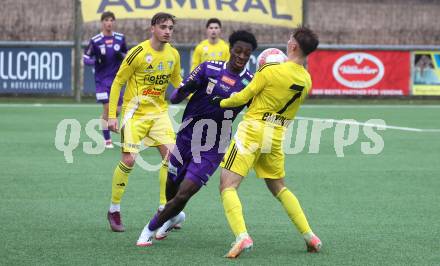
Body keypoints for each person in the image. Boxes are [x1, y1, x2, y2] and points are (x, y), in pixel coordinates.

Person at [136, 30, 258, 247]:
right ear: (229, 49)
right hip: (186, 137)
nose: (241, 56)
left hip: (213, 146)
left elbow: (257, 111)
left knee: (184, 193)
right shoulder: (209, 68)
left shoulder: (250, 83)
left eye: (246, 54)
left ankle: (149, 229)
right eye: (238, 51)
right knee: (171, 186)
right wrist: (180, 92)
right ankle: (173, 217)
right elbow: (178, 93)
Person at [211, 26, 322, 258]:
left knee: (227, 185)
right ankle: (309, 235)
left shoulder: (270, 72)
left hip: (252, 131)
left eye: (289, 39)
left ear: (293, 46)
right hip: (276, 136)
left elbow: (242, 97)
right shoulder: (307, 80)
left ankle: (242, 236)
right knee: (279, 187)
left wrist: (219, 102)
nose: (287, 41)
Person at [106, 12, 182, 232]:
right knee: (129, 161)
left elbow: (178, 82)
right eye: (163, 27)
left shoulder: (173, 55)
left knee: (172, 157)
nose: (167, 31)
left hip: (159, 114)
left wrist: (198, 95)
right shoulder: (137, 53)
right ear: (152, 28)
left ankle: (164, 209)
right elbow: (118, 82)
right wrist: (112, 115)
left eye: (170, 27)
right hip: (134, 114)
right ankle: (114, 209)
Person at [83, 11, 127, 148]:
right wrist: (95, 61)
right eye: (106, 20)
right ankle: (107, 139)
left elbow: (127, 54)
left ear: (114, 22)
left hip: (117, 80)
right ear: (102, 22)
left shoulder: (120, 38)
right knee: (108, 109)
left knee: (117, 111)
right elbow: (85, 58)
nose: (109, 23)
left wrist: (123, 56)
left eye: (111, 20)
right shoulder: (95, 40)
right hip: (101, 81)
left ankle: (107, 125)